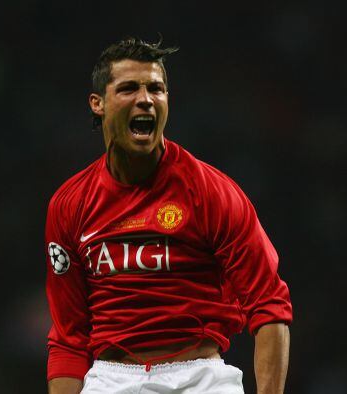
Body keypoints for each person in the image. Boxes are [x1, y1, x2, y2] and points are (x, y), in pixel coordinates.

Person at [44, 37, 293, 394]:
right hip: (110, 380)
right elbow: (69, 339)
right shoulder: (69, 205)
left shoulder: (211, 192)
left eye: (156, 89)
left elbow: (269, 306)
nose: (145, 98)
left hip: (200, 379)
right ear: (98, 103)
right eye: (129, 88)